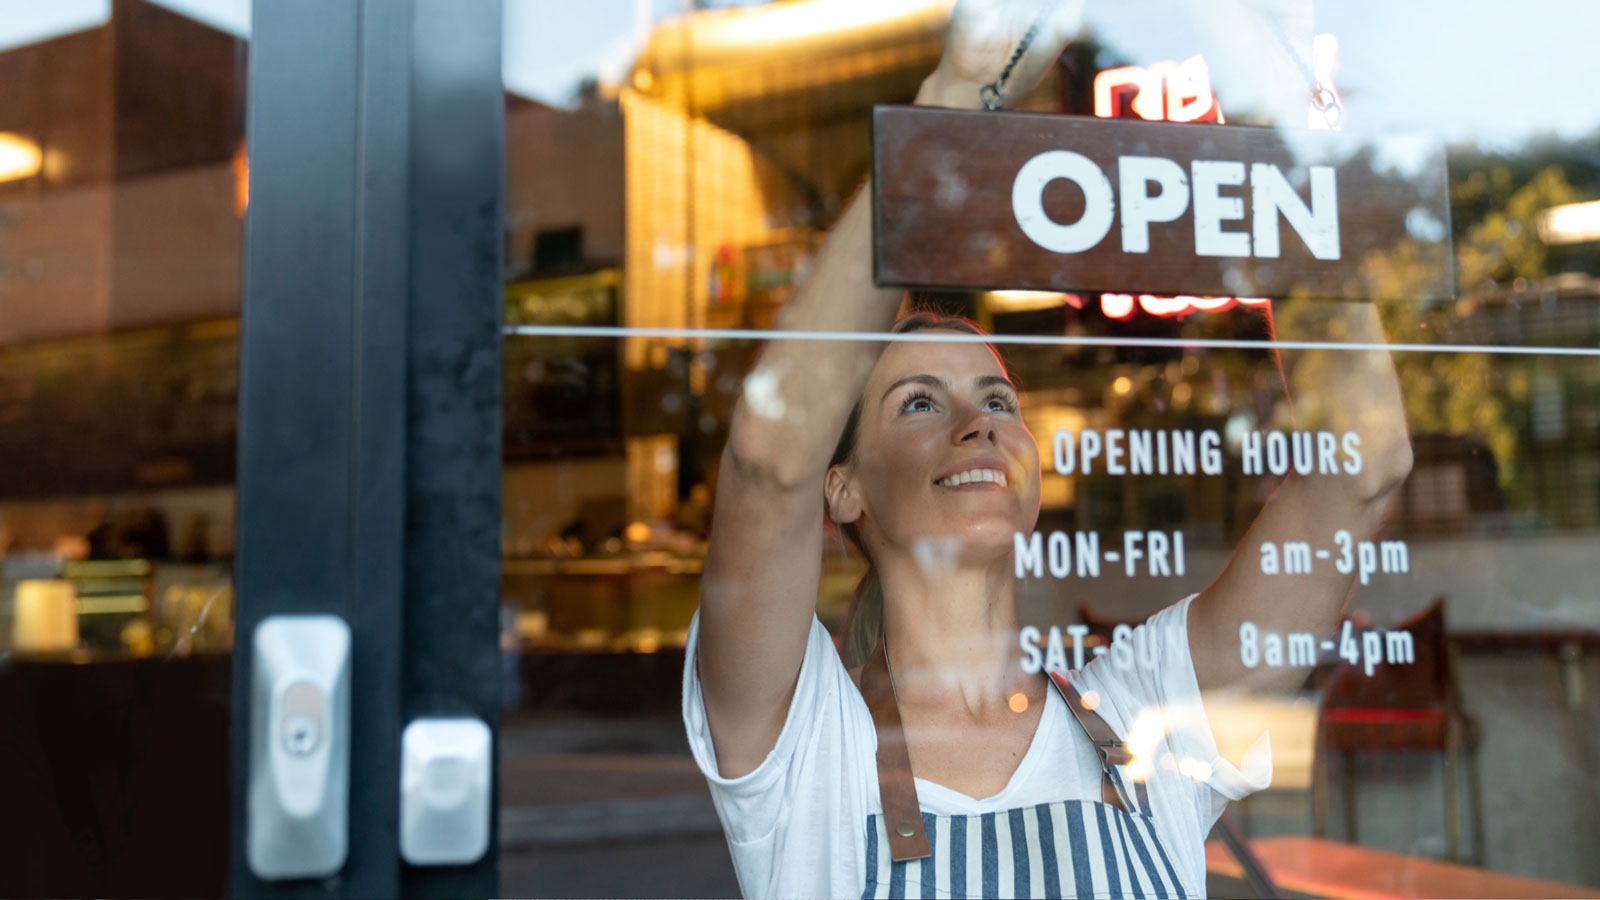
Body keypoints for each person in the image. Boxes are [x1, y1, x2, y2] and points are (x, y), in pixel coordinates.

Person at [682, 2, 1412, 897]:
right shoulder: (802, 739)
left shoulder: (1143, 711)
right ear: (842, 490)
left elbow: (1362, 466)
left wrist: (1270, 132)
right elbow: (766, 460)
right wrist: (951, 104)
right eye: (919, 403)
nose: (979, 424)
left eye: (997, 399)